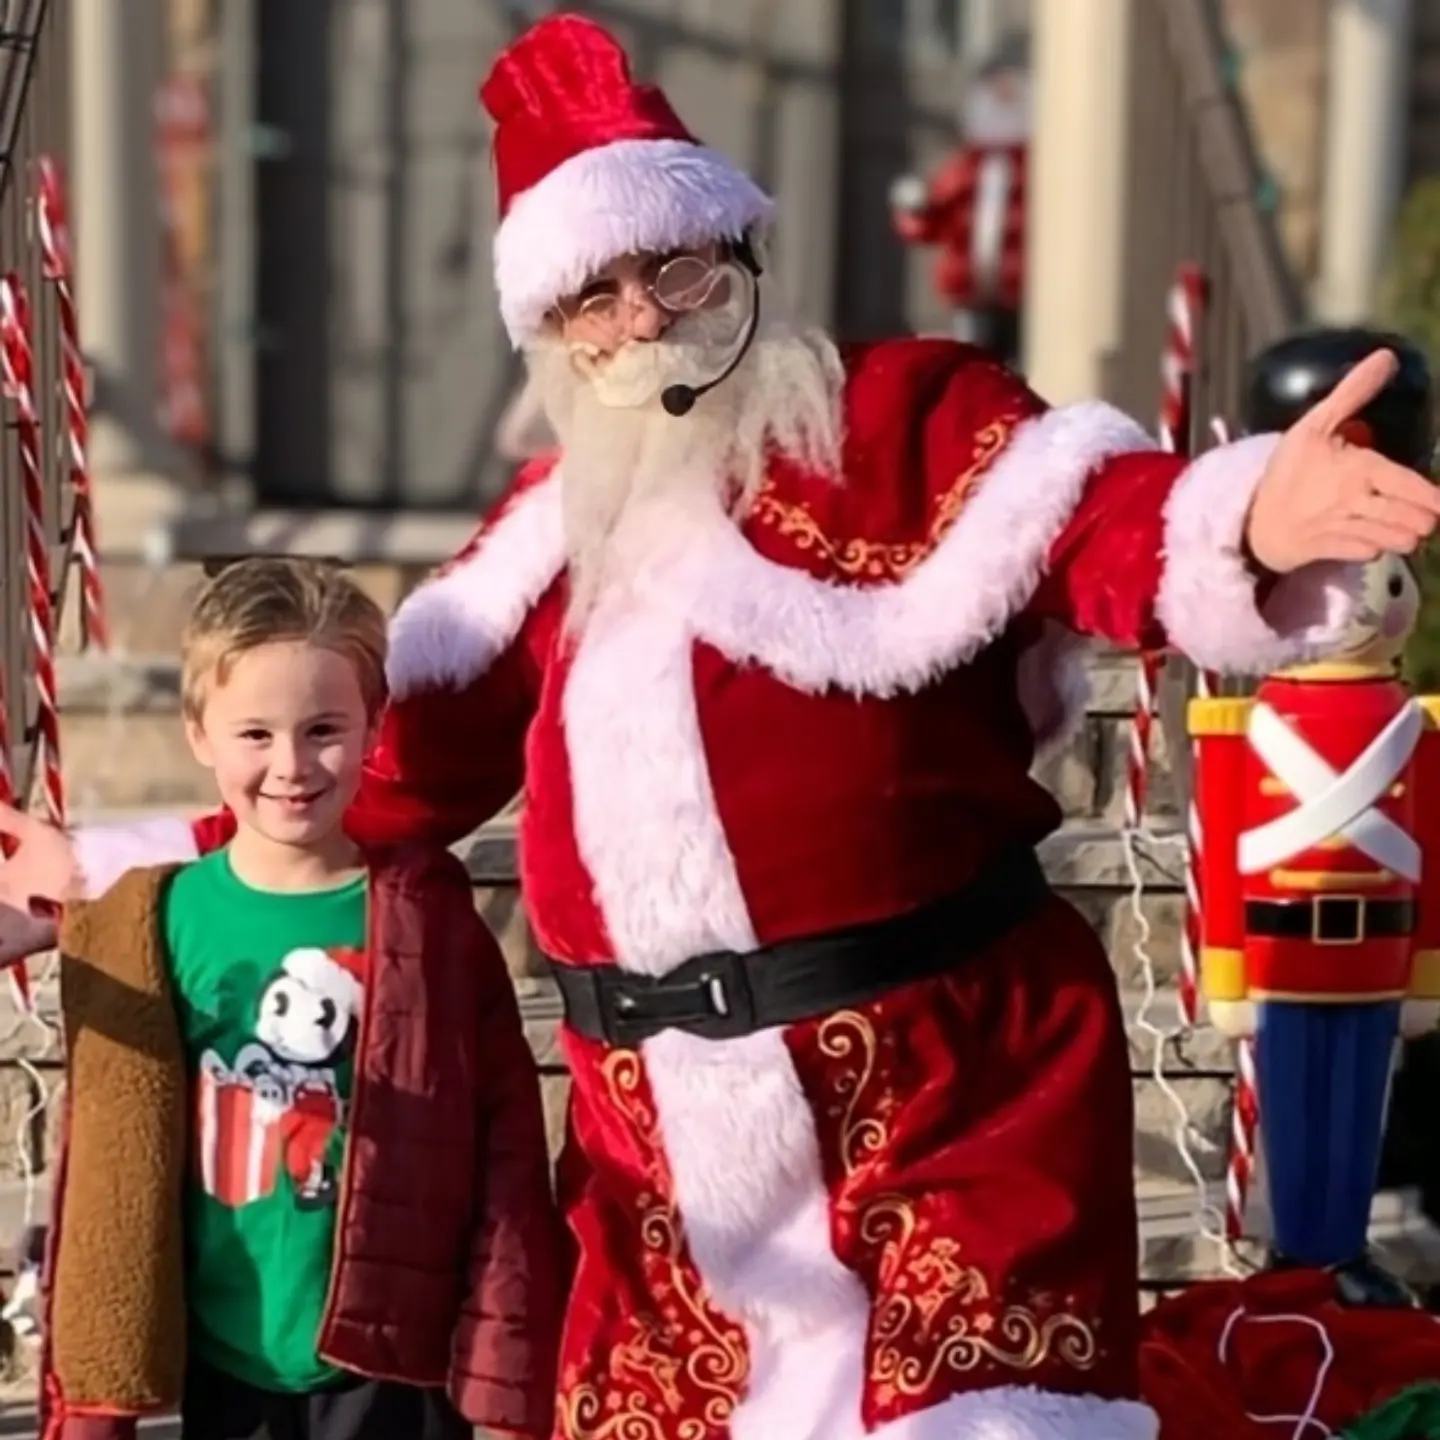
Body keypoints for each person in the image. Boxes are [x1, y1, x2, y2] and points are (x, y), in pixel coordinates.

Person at [4, 13, 1440, 1440]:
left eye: (674, 268)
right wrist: (90, 869)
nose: (642, 318)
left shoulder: (906, 419)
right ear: (549, 334)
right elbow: (368, 784)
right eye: (593, 296)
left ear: (740, 258)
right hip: (657, 1173)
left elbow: (1103, 524)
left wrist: (1245, 518)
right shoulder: (536, 545)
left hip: (944, 1105)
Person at [33, 559, 563, 1440]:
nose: (290, 765)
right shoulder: (154, 922)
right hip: (226, 1368)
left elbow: (506, 1161)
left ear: (373, 729)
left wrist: (508, 1395)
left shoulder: (434, 926)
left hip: (394, 1369)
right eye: (255, 734)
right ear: (198, 732)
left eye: (323, 729)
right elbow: (109, 1178)